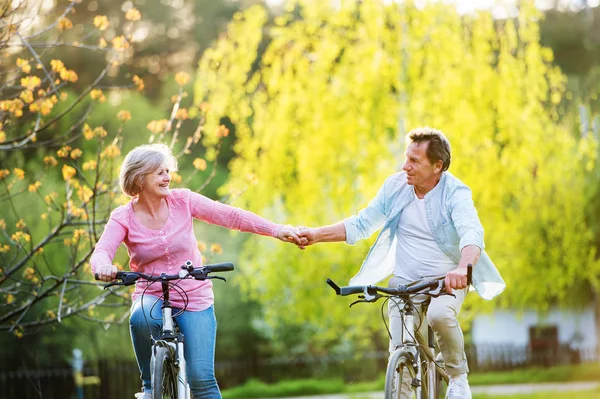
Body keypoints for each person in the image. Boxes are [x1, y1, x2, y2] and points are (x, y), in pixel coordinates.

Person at [297, 127, 505, 399]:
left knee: (439, 315)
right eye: (406, 158)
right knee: (400, 347)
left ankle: (457, 378)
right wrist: (315, 235)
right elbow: (361, 224)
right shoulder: (395, 187)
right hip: (405, 282)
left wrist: (460, 269)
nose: (405, 166)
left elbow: (472, 234)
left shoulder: (455, 192)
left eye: (414, 161)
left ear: (437, 166)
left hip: (446, 282)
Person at [91, 143, 304, 399]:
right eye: (159, 172)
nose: (167, 177)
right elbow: (102, 250)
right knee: (140, 318)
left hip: (194, 294)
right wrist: (103, 266)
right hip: (152, 292)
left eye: (167, 171)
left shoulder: (184, 200)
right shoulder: (122, 217)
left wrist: (276, 229)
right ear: (139, 178)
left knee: (202, 380)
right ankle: (150, 386)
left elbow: (231, 216)